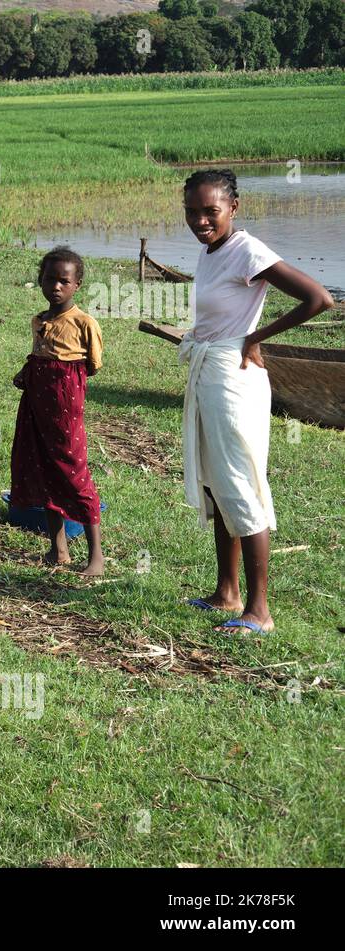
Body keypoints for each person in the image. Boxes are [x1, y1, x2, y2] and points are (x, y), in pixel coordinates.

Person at [178, 169, 334, 636]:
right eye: (192, 211)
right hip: (211, 371)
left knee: (241, 486)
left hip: (234, 379)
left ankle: (259, 611)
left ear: (233, 209)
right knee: (217, 483)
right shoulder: (212, 251)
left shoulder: (246, 249)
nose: (201, 220)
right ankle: (227, 591)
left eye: (211, 211)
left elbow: (318, 298)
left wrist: (255, 337)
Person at [10, 247, 106, 576]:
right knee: (43, 466)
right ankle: (58, 549)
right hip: (36, 400)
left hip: (65, 402)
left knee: (72, 469)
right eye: (50, 279)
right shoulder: (40, 320)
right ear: (40, 281)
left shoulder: (83, 323)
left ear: (77, 284)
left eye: (64, 281)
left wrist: (60, 382)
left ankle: (96, 557)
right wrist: (29, 371)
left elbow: (91, 365)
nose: (56, 286)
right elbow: (39, 353)